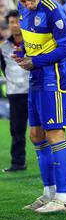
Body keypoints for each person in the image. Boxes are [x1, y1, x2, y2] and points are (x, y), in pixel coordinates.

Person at [13, 0, 66, 213]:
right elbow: (33, 40)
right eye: (23, 0)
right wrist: (21, 51)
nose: (28, 4)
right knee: (36, 135)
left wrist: (35, 60)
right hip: (36, 76)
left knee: (54, 134)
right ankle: (48, 192)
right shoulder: (22, 8)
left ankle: (62, 198)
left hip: (55, 77)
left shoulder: (53, 10)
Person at [0, 10, 30, 172]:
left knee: (43, 130)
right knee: (16, 130)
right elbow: (4, 69)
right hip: (14, 93)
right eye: (11, 22)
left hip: (33, 92)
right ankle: (18, 163)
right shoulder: (3, 47)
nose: (14, 25)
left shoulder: (32, 43)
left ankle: (51, 162)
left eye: (17, 21)